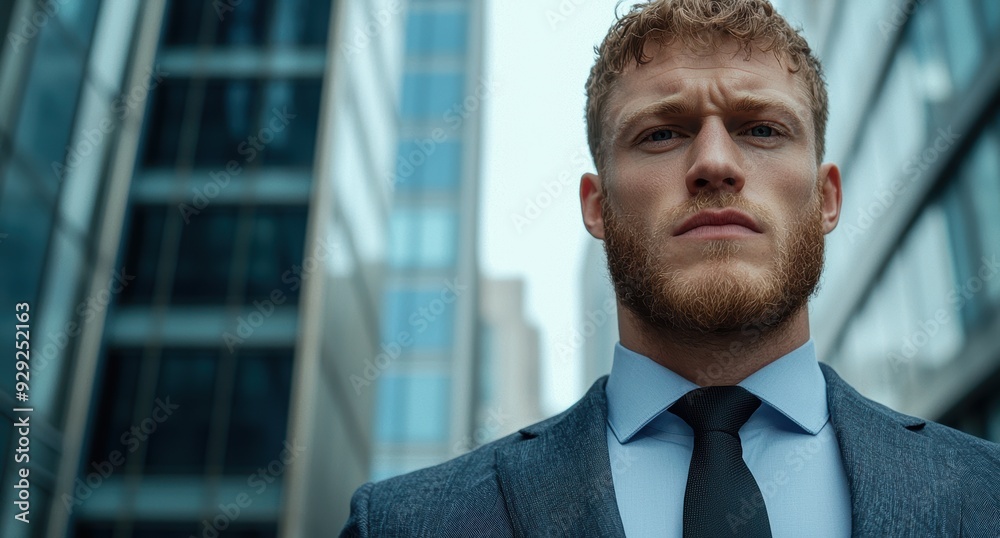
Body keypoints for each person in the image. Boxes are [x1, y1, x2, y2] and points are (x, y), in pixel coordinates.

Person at [341, 0, 1000, 535]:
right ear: (596, 207)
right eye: (662, 133)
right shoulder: (406, 522)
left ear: (827, 198)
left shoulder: (986, 493)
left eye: (761, 129)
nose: (715, 163)